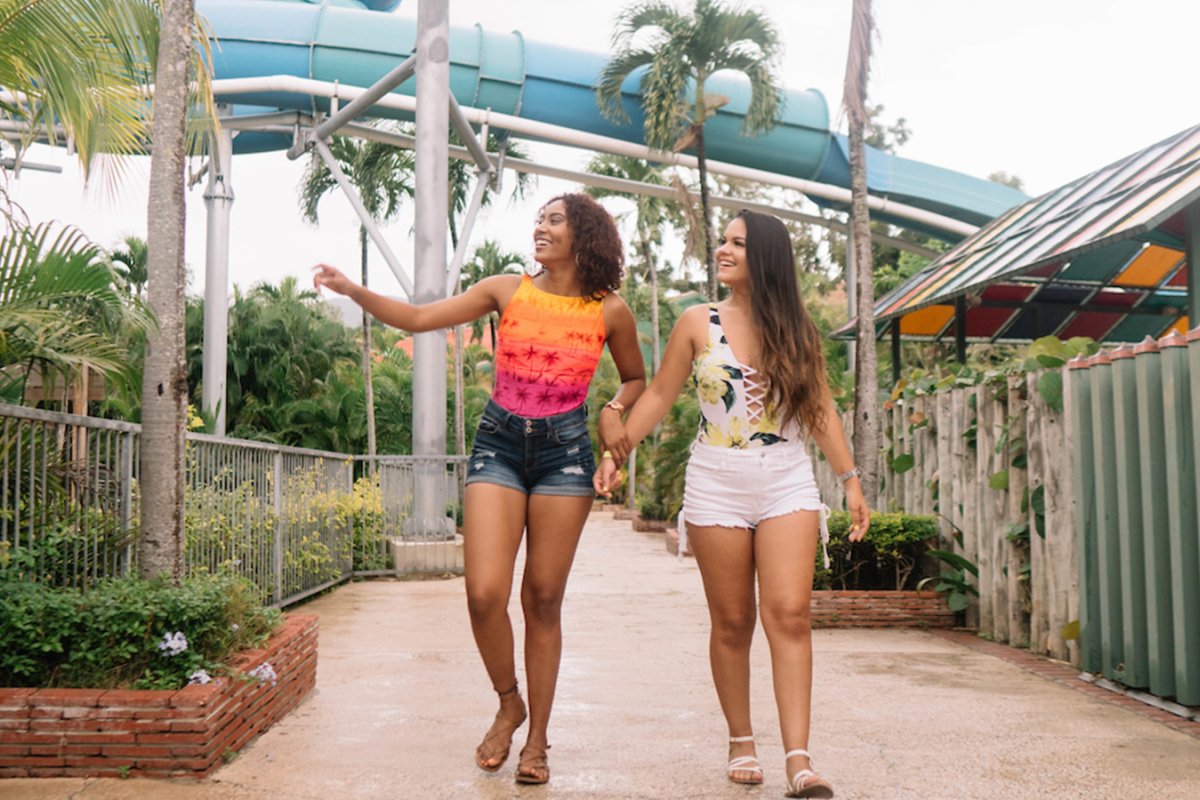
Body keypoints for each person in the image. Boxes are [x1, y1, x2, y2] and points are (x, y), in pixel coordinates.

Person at [314, 193, 645, 784]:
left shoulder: (610, 310)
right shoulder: (505, 290)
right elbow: (419, 319)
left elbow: (635, 377)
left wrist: (615, 409)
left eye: (553, 220)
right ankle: (508, 700)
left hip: (565, 453)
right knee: (484, 592)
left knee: (542, 598)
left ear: (584, 237)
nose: (540, 227)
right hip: (499, 443)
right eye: (539, 219)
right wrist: (353, 290)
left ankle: (537, 739)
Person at [595, 209, 869, 798]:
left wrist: (849, 480)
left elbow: (819, 410)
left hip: (787, 479)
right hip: (717, 479)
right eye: (723, 240)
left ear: (764, 257)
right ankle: (741, 739)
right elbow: (663, 394)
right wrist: (617, 453)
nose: (723, 249)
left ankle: (800, 758)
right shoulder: (698, 321)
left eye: (737, 244)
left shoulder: (799, 331)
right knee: (733, 620)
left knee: (790, 613)